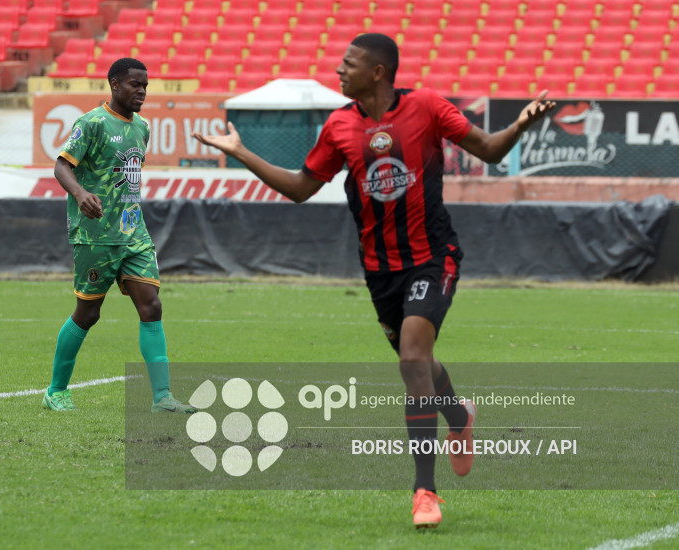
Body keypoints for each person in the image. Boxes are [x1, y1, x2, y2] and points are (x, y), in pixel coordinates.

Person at [193, 34, 555, 528]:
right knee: (419, 363)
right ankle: (460, 418)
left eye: (349, 64)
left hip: (432, 257)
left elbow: (489, 150)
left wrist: (519, 125)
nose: (339, 71)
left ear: (379, 71)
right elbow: (301, 188)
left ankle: (424, 492)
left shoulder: (427, 105)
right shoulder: (340, 124)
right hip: (379, 271)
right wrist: (241, 152)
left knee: (411, 358)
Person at [43, 58, 194, 414]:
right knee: (88, 313)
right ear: (114, 84)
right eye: (134, 85)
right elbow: (62, 165)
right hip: (95, 235)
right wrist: (80, 195)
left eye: (145, 85)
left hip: (133, 232)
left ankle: (162, 398)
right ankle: (56, 391)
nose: (141, 91)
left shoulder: (142, 127)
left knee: (151, 305)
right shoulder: (92, 123)